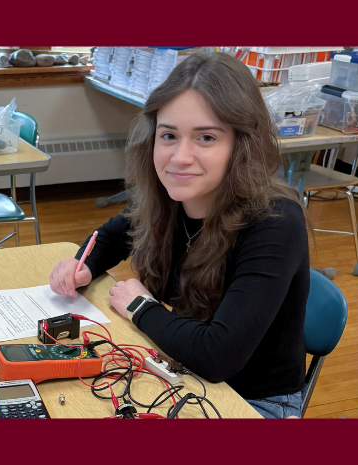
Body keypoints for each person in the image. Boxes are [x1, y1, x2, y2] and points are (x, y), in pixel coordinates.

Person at [48, 52, 309, 418]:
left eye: (205, 137)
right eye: (169, 135)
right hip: (184, 374)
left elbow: (219, 355)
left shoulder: (276, 221)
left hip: (254, 402)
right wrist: (83, 266)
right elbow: (110, 236)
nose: (180, 157)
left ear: (240, 145)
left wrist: (140, 306)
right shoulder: (172, 197)